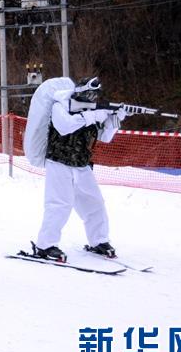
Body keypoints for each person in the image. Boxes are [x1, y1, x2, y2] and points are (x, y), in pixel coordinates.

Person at [32, 76, 125, 262]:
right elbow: (64, 126)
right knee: (59, 204)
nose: (91, 98)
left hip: (82, 164)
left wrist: (115, 120)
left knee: (95, 203)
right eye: (88, 93)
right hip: (59, 162)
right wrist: (90, 116)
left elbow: (104, 137)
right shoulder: (61, 105)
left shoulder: (93, 110)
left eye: (94, 95)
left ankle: (99, 241)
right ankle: (45, 245)